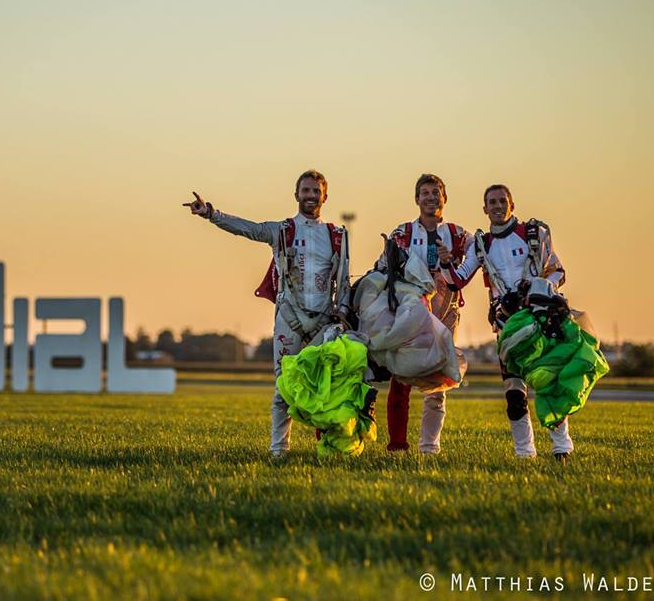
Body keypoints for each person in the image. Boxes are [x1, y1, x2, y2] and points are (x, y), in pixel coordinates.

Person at [183, 170, 355, 458]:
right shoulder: (282, 231)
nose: (311, 195)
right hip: (290, 318)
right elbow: (247, 228)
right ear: (296, 195)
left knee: (326, 387)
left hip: (324, 321)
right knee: (282, 389)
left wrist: (343, 313)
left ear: (325, 196)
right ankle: (279, 451)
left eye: (316, 191)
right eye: (306, 190)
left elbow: (345, 279)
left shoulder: (337, 235)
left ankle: (330, 449)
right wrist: (211, 213)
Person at [447, 184, 571, 460]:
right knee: (514, 394)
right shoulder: (483, 245)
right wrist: (446, 262)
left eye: (502, 201)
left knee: (548, 385)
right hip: (507, 328)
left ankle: (561, 447)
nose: (497, 206)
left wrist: (535, 290)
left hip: (539, 321)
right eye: (492, 202)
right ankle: (525, 453)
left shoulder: (532, 234)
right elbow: (456, 281)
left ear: (512, 205)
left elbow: (558, 272)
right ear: (484, 209)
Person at [375, 174, 471, 454]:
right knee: (400, 376)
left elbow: (476, 265)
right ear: (417, 199)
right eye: (425, 193)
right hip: (410, 313)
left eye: (435, 193)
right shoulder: (401, 233)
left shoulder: (458, 235)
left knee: (439, 382)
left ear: (445, 198)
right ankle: (397, 447)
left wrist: (450, 261)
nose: (430, 198)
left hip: (445, 312)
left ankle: (430, 447)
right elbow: (383, 268)